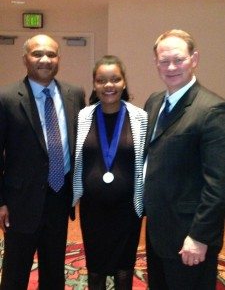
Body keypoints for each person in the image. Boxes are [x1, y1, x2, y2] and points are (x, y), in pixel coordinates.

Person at [0, 34, 85, 290]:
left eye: (51, 54)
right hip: (20, 202)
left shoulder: (74, 94)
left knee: (53, 269)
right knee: (16, 270)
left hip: (60, 197)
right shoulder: (6, 98)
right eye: (37, 54)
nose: (45, 59)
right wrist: (1, 200)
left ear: (59, 59)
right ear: (25, 59)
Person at [144, 29, 225, 290]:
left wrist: (199, 236)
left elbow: (218, 183)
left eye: (178, 59)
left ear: (194, 59)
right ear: (156, 62)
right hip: (158, 231)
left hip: (189, 235)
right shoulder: (154, 102)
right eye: (164, 61)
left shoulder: (211, 109)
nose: (171, 67)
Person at [73, 55, 148, 289]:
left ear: (124, 82)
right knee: (95, 266)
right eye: (101, 80)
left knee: (124, 268)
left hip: (127, 209)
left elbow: (145, 161)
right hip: (92, 208)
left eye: (115, 79)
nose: (108, 85)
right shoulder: (83, 116)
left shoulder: (140, 117)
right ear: (94, 84)